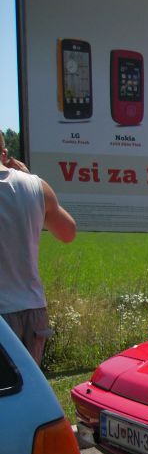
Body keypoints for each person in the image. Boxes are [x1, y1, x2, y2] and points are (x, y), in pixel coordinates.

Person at [0, 134, 78, 365]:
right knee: (29, 389)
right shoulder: (36, 186)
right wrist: (27, 179)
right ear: (4, 152)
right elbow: (68, 232)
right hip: (32, 310)